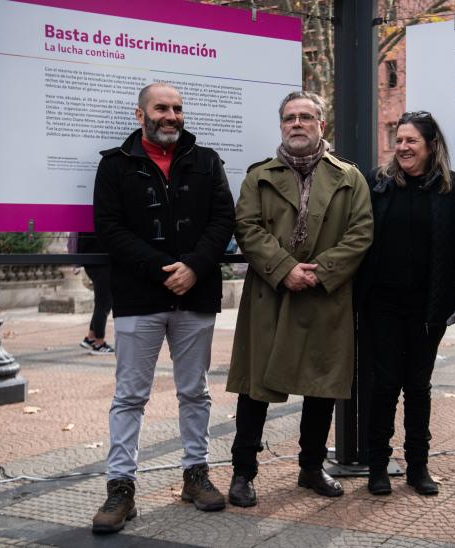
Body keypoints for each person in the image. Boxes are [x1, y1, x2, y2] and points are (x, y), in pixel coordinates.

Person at [90, 83, 236, 533]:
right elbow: (109, 229)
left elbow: (223, 219)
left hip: (197, 294)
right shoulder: (114, 165)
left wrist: (193, 267)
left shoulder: (207, 160)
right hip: (138, 297)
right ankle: (121, 488)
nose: (171, 115)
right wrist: (161, 269)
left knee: (195, 391)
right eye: (162, 108)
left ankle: (196, 475)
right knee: (130, 396)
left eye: (177, 108)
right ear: (141, 115)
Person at [226, 91, 373, 507]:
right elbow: (247, 227)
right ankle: (243, 473)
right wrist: (285, 269)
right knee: (254, 389)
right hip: (270, 295)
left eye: (306, 117)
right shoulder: (259, 175)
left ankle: (310, 467)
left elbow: (361, 233)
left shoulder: (350, 176)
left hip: (324, 297)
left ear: (321, 125)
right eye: (289, 117)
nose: (297, 124)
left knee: (320, 386)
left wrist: (319, 273)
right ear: (281, 125)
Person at [356, 111, 455, 496]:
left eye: (412, 141)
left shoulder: (453, 189)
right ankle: (377, 466)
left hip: (430, 306)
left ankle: (418, 467)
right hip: (381, 304)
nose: (403, 147)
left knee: (418, 386)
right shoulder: (378, 183)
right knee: (384, 385)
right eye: (399, 140)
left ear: (430, 146)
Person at [76, 232, 114, 355]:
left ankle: (91, 338)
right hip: (99, 261)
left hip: (93, 260)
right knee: (104, 302)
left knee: (102, 302)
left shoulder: (87, 218)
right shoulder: (95, 216)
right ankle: (99, 343)